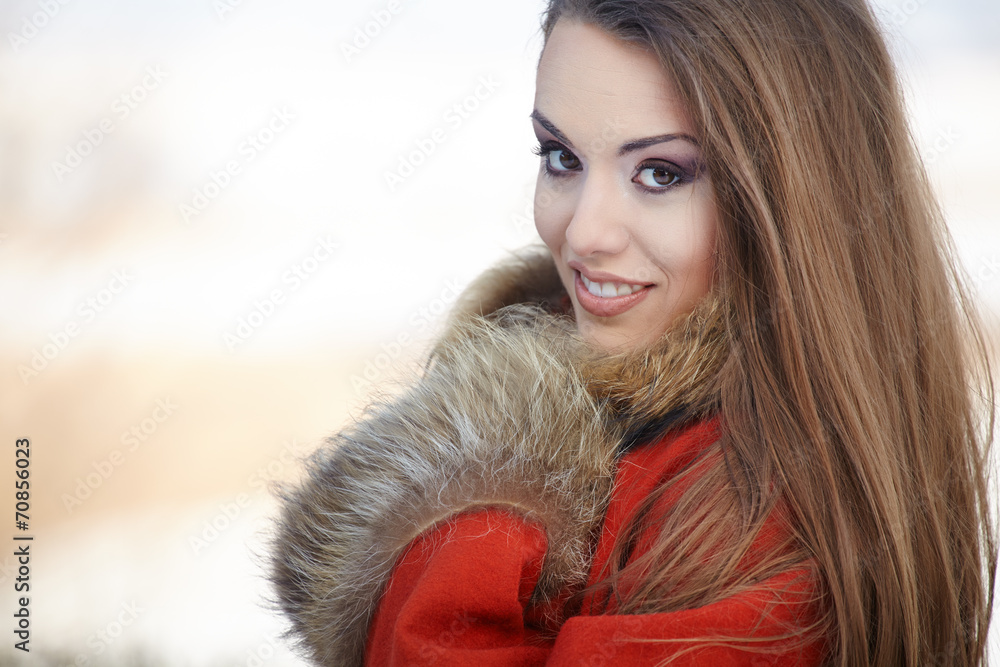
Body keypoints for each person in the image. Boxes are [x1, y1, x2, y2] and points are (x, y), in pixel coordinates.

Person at [269, 0, 997, 664]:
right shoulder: (570, 366)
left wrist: (482, 484)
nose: (582, 232)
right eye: (561, 157)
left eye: (659, 173)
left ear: (792, 196)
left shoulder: (762, 527)